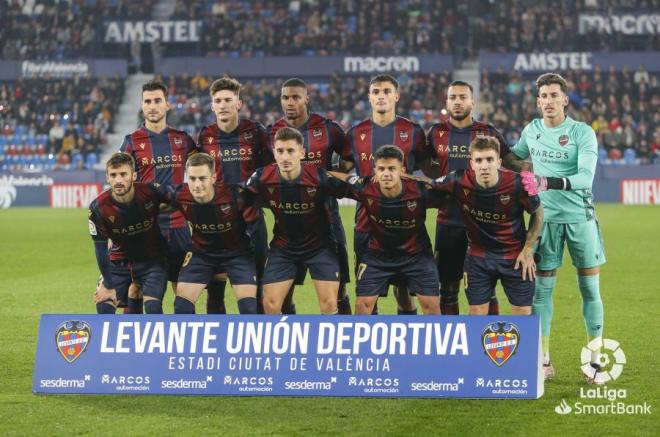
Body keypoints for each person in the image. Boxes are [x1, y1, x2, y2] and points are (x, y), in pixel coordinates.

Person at [512, 73, 606, 381]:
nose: (549, 101)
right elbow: (512, 158)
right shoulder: (532, 130)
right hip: (545, 222)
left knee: (590, 289)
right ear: (537, 101)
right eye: (544, 96)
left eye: (555, 95)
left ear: (565, 99)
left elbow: (584, 179)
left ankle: (594, 359)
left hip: (580, 219)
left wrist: (545, 181)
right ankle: (544, 359)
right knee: (543, 290)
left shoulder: (582, 133)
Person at [426, 80, 530, 315]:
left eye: (463, 97)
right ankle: (452, 345)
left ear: (473, 102)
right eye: (453, 97)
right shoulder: (436, 133)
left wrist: (548, 171)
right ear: (447, 102)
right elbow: (426, 165)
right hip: (449, 222)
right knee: (448, 287)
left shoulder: (488, 132)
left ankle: (489, 343)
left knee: (486, 287)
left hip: (486, 224)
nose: (458, 101)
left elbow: (513, 164)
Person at [421, 136, 543, 315]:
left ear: (499, 162)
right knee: (477, 314)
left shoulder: (517, 183)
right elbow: (426, 185)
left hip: (515, 256)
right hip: (478, 257)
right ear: (472, 163)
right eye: (479, 160)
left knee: (523, 315)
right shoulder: (457, 180)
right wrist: (394, 178)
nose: (484, 166)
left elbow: (538, 213)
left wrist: (528, 249)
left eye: (489, 160)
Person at [343, 74, 433, 314]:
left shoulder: (413, 131)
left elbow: (427, 168)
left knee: (403, 290)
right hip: (366, 224)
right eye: (376, 92)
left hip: (406, 224)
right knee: (366, 292)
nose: (381, 96)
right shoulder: (355, 133)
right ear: (369, 97)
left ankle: (405, 343)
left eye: (386, 91)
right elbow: (341, 170)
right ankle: (372, 345)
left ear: (396, 96)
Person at [268, 77, 353, 315]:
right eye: (285, 97)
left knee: (339, 291)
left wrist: (328, 179)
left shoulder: (328, 129)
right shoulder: (273, 132)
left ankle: (343, 343)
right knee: (284, 293)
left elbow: (348, 159)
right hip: (288, 225)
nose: (290, 102)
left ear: (306, 99)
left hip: (327, 222)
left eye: (296, 97)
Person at [242, 127, 346, 315]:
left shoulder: (318, 177)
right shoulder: (262, 177)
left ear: (302, 152)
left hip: (320, 247)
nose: (285, 157)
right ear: (274, 153)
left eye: (290, 151)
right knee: (270, 305)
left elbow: (357, 190)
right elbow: (238, 199)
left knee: (329, 305)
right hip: (284, 248)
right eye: (280, 151)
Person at [329, 145, 442, 315]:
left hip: (417, 256)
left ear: (402, 171)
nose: (386, 173)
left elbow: (448, 189)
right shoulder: (366, 188)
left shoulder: (420, 191)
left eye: (391, 169)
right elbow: (339, 177)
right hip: (377, 256)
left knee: (432, 306)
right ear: (375, 170)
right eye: (381, 169)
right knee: (362, 306)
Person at [119, 80, 196, 313]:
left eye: (157, 101)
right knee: (137, 287)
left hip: (179, 225)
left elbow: (200, 174)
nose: (152, 106)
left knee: (183, 290)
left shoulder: (183, 140)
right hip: (146, 228)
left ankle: (186, 342)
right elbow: (121, 185)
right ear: (142, 106)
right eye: (147, 101)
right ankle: (135, 344)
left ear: (167, 105)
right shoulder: (131, 142)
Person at [197, 76, 270, 314]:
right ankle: (219, 345)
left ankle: (258, 342)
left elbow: (269, 169)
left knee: (258, 285)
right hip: (217, 220)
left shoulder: (255, 131)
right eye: (218, 100)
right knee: (215, 291)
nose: (223, 104)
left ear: (238, 103)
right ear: (212, 105)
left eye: (228, 99)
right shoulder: (205, 136)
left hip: (251, 218)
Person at [164, 153, 259, 315]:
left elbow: (258, 224)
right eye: (192, 179)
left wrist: (261, 260)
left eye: (202, 178)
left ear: (213, 177)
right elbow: (146, 199)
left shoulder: (235, 195)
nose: (197, 184)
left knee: (249, 308)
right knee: (181, 306)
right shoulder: (179, 195)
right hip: (202, 254)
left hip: (237, 254)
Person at [89, 153, 169, 314]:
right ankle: (116, 339)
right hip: (119, 262)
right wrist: (109, 285)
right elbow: (100, 249)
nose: (118, 180)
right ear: (107, 178)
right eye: (113, 175)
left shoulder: (151, 192)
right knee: (104, 303)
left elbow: (181, 201)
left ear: (134, 175)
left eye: (123, 174)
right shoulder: (97, 208)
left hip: (153, 261)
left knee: (153, 307)